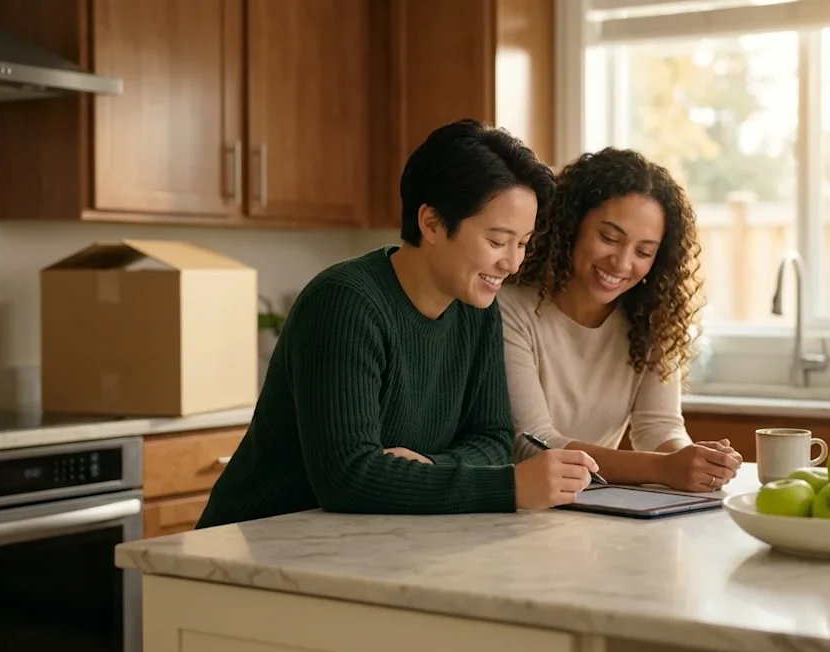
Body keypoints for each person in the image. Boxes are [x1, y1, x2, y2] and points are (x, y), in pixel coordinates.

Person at [197, 119, 599, 528]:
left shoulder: (477, 311)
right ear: (432, 223)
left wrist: (427, 469)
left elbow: (493, 442)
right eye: (497, 242)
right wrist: (509, 488)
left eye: (523, 243)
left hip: (362, 541)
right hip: (256, 545)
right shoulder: (345, 303)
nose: (512, 264)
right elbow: (348, 477)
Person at [499, 147, 741, 493]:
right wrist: (663, 468)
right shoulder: (511, 308)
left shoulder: (653, 318)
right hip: (518, 510)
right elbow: (532, 443)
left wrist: (691, 461)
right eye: (609, 238)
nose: (622, 263)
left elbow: (659, 427)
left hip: (597, 507)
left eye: (643, 252)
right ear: (572, 225)